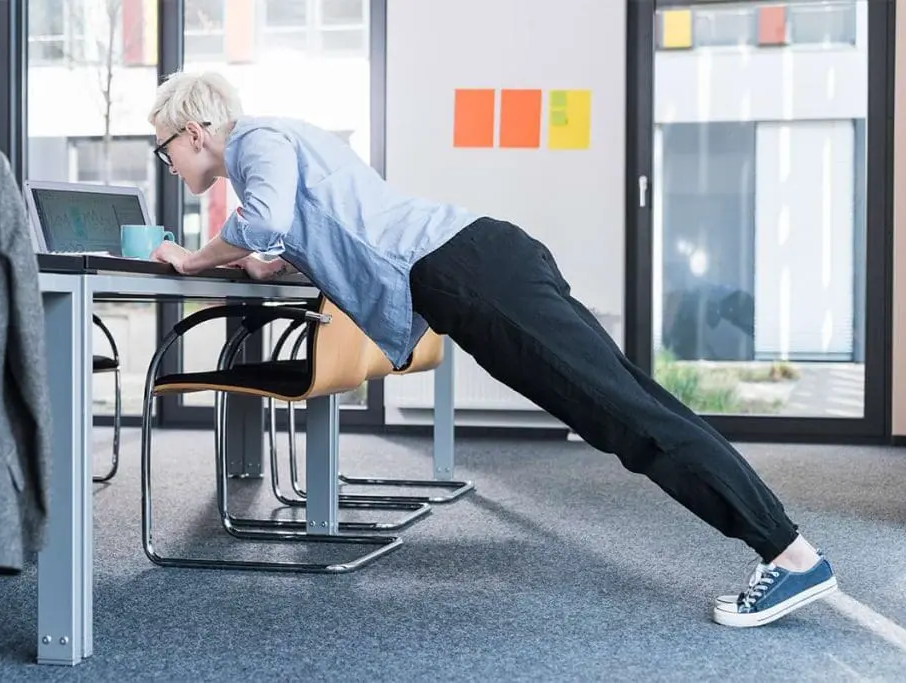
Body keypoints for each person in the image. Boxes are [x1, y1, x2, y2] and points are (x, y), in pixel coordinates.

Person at [146, 71, 837, 627]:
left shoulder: (257, 137)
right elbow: (320, 230)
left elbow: (264, 218)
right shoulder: (275, 151)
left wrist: (197, 256)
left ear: (197, 129)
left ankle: (790, 551)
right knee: (621, 412)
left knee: (629, 416)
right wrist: (275, 262)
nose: (167, 162)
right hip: (475, 267)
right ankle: (785, 546)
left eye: (164, 146)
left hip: (472, 271)